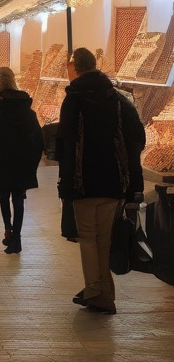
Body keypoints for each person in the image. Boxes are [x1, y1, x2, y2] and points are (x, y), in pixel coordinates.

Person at [57, 47, 146, 314]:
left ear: (76, 68)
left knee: (88, 237)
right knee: (104, 238)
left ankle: (96, 290)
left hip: (83, 180)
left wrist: (67, 183)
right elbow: (137, 138)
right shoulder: (117, 100)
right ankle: (105, 293)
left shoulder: (74, 100)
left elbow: (66, 143)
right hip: (115, 179)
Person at [0, 66, 43, 255]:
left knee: (3, 196)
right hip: (23, 159)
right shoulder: (27, 109)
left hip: (4, 159)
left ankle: (8, 229)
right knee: (18, 199)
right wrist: (33, 161)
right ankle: (17, 237)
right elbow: (38, 139)